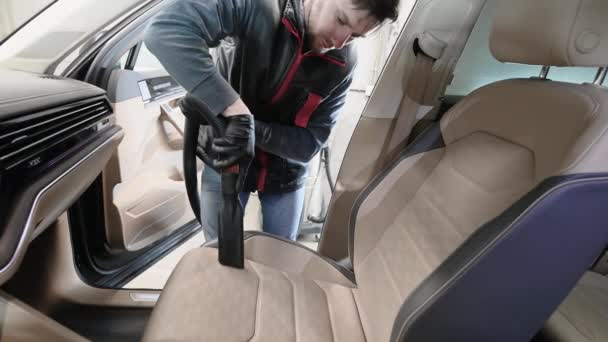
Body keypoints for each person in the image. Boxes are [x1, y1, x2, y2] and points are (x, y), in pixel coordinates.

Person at [144, 0, 399, 241]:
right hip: (226, 158)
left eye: (355, 36)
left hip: (285, 174)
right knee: (218, 251)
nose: (340, 41)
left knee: (281, 258)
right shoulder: (256, 5)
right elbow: (165, 31)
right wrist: (235, 111)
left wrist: (248, 128)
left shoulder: (344, 63)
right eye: (342, 20)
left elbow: (311, 143)